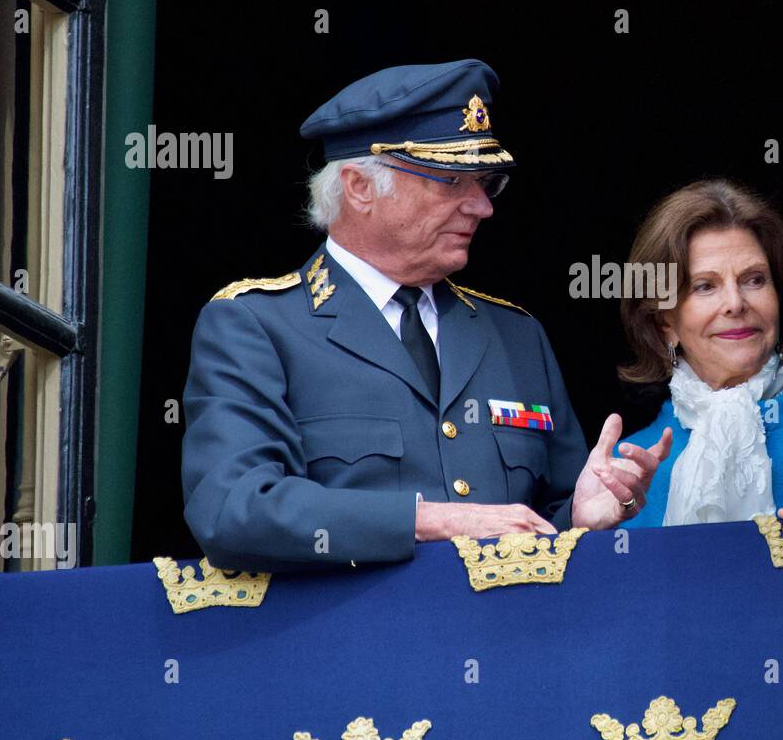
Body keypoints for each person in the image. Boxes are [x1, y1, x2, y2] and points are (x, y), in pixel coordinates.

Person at [181, 60, 671, 572]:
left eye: (486, 183)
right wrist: (431, 521)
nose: (482, 207)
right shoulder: (256, 326)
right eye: (452, 182)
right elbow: (233, 511)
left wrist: (580, 514)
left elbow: (545, 523)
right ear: (359, 187)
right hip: (352, 647)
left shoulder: (516, 334)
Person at [616, 179, 783, 527]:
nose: (735, 303)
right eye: (705, 286)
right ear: (663, 323)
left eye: (754, 280)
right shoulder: (622, 473)